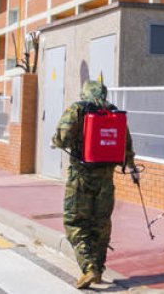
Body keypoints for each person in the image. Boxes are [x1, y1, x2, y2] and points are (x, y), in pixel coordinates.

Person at [51, 80, 135, 289]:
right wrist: (131, 166)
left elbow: (62, 137)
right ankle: (98, 267)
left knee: (75, 222)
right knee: (101, 223)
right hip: (106, 179)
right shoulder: (114, 113)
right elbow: (126, 144)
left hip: (81, 177)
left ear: (85, 92)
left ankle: (88, 267)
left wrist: (57, 140)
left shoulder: (78, 109)